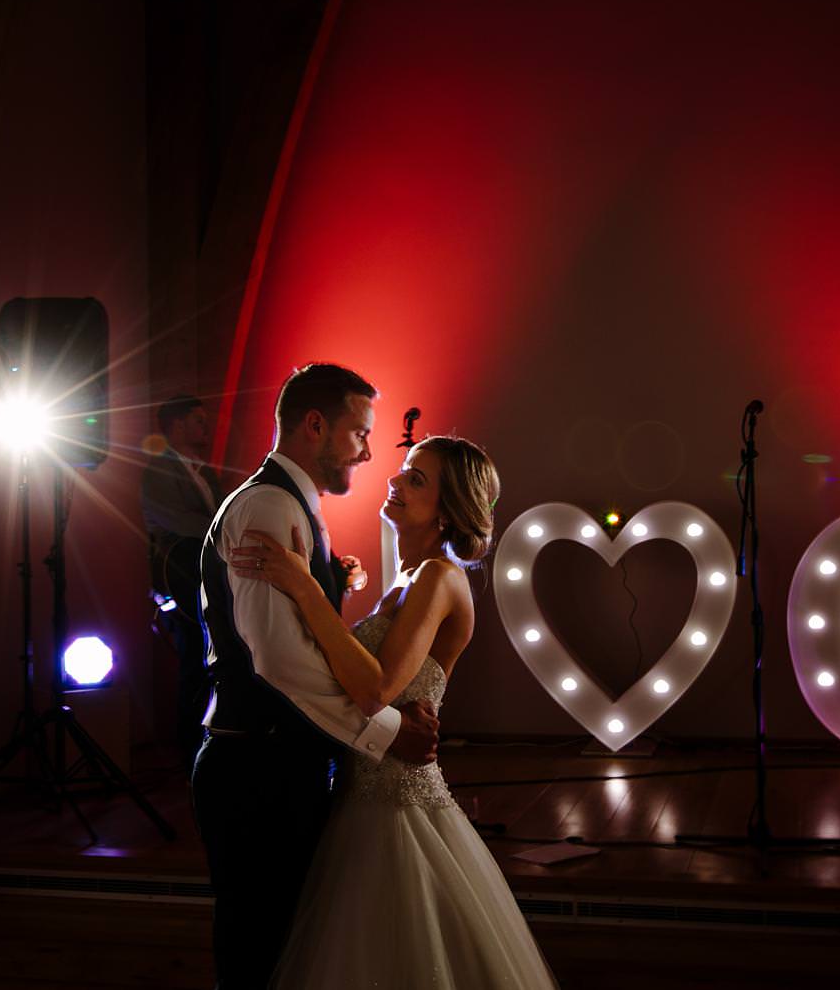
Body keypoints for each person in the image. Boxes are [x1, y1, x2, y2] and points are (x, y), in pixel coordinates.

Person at [230, 435, 559, 990]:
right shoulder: (405, 581)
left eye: (416, 479)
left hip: (399, 804)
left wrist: (305, 588)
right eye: (405, 471)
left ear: (448, 510)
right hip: (358, 791)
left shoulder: (438, 577)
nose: (395, 481)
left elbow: (377, 688)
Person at [191, 364, 442, 990]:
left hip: (281, 762)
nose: (367, 451)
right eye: (359, 433)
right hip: (256, 770)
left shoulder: (292, 504)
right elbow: (279, 660)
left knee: (287, 948)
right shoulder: (268, 506)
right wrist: (386, 731)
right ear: (314, 426)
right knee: (259, 953)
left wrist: (329, 583)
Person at [140, 395, 220, 759]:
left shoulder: (205, 472)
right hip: (179, 579)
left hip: (203, 579)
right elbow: (178, 521)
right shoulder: (158, 470)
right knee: (193, 661)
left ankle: (209, 748)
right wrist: (226, 529)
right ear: (177, 425)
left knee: (211, 661)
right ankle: (189, 753)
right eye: (198, 420)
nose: (206, 426)